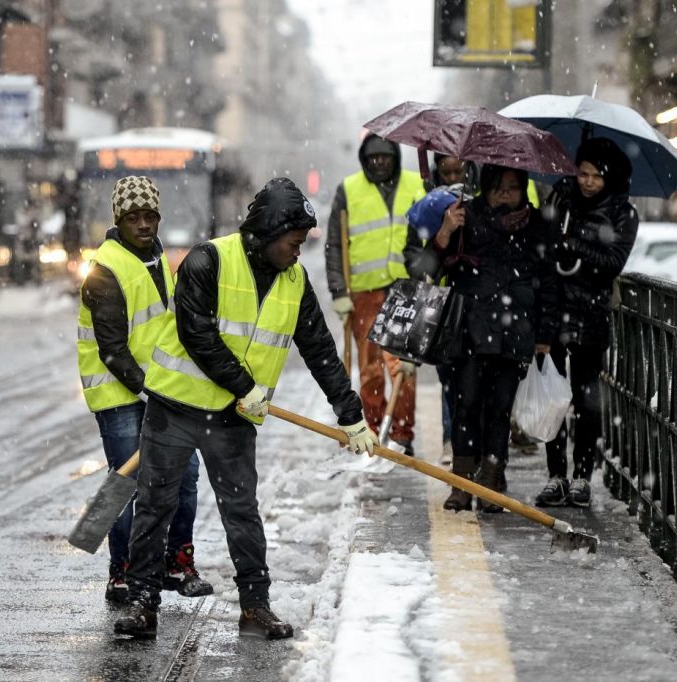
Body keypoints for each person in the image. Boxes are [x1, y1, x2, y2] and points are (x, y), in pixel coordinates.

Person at [114, 177, 377, 640]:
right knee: (154, 505)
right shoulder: (207, 260)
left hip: (233, 418)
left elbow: (318, 349)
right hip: (175, 406)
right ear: (269, 233)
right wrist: (244, 384)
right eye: (294, 243)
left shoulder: (295, 280)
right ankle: (141, 603)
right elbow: (197, 334)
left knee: (241, 511)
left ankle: (255, 606)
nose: (298, 252)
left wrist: (350, 413)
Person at [77, 176, 213, 605]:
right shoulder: (105, 270)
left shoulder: (157, 259)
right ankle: (123, 572)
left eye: (150, 216)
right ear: (119, 219)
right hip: (119, 396)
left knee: (185, 475)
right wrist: (151, 390)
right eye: (133, 217)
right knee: (128, 482)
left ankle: (177, 561)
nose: (143, 224)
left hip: (160, 388)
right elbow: (113, 350)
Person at [420, 164, 558, 512]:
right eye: (498, 187)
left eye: (513, 187)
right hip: (471, 327)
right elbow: (432, 267)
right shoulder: (465, 214)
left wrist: (545, 334)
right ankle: (462, 485)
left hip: (516, 330)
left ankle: (491, 484)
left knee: (499, 410)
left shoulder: (537, 225)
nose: (505, 194)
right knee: (466, 404)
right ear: (485, 187)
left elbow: (550, 282)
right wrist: (446, 232)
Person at [534, 138, 639, 509]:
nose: (588, 182)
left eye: (596, 176)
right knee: (552, 399)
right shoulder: (559, 199)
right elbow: (541, 249)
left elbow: (612, 263)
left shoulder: (623, 213)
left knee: (586, 400)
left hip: (591, 316)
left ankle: (582, 476)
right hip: (552, 311)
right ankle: (555, 476)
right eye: (583, 173)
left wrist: (575, 245)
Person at [325, 133, 426, 455]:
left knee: (401, 369)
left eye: (385, 157)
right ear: (364, 160)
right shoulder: (349, 190)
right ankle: (373, 429)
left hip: (404, 291)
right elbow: (334, 245)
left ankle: (401, 433)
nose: (379, 163)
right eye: (373, 158)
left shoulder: (416, 186)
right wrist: (339, 291)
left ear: (395, 158)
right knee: (369, 369)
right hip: (364, 293)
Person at [404, 153, 477, 465]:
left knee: (478, 385)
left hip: (481, 308)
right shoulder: (427, 208)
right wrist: (444, 233)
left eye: (457, 171)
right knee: (452, 382)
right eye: (445, 172)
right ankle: (454, 442)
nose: (451, 178)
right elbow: (416, 264)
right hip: (445, 310)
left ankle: (477, 450)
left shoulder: (481, 202)